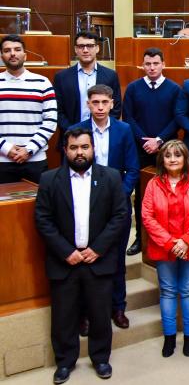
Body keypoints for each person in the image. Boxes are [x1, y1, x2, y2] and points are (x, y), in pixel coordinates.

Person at [35, 128, 127, 383]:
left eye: (84, 147)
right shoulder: (49, 180)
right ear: (65, 150)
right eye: (74, 148)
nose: (79, 152)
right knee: (64, 316)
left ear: (92, 149)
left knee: (100, 314)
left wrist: (97, 249)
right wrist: (67, 252)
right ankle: (65, 361)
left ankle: (100, 359)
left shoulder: (109, 177)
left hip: (98, 258)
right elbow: (43, 220)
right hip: (64, 261)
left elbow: (120, 216)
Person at [69, 84, 140, 331]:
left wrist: (119, 197)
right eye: (95, 102)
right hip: (84, 206)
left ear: (112, 104)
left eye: (104, 102)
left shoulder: (123, 130)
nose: (100, 107)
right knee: (87, 260)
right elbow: (67, 170)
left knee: (117, 259)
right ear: (88, 104)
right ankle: (86, 313)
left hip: (115, 205)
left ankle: (117, 307)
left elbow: (132, 169)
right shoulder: (76, 131)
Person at [142, 140, 189, 357]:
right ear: (162, 159)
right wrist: (172, 243)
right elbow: (147, 216)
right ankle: (169, 338)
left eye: (177, 155)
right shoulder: (154, 183)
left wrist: (186, 241)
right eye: (168, 155)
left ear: (185, 158)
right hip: (164, 247)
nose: (173, 159)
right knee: (169, 291)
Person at [122, 47, 181, 256]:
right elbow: (128, 117)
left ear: (163, 64)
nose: (152, 67)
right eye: (148, 64)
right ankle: (140, 237)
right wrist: (145, 140)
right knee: (141, 197)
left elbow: (177, 118)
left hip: (167, 151)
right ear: (143, 65)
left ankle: (167, 236)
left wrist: (158, 140)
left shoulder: (174, 89)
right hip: (139, 150)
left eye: (156, 63)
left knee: (169, 195)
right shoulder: (133, 88)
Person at [0, 35, 57, 184]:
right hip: (2, 160)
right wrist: (6, 148)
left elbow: (50, 121)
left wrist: (29, 149)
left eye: (17, 49)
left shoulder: (42, 82)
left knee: (40, 205)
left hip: (35, 159)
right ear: (2, 56)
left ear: (25, 55)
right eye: (7, 50)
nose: (12, 53)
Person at [54, 31, 122, 132]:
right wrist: (72, 131)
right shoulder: (62, 77)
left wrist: (102, 129)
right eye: (81, 46)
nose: (85, 50)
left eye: (90, 46)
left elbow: (115, 108)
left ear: (97, 48)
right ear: (76, 49)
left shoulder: (111, 75)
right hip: (71, 136)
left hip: (102, 134)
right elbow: (57, 110)